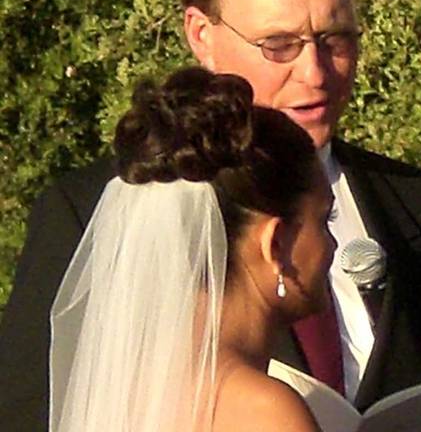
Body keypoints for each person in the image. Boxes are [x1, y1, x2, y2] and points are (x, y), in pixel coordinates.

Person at [0, 0, 421, 431]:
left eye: (335, 38)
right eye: (279, 45)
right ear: (201, 34)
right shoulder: (93, 214)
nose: (316, 73)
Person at [51, 67, 334, 431]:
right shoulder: (262, 414)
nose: (332, 244)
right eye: (325, 220)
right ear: (275, 243)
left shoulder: (128, 390)